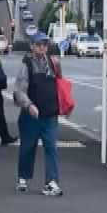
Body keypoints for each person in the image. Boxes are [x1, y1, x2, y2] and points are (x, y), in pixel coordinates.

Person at [12, 32, 64, 197]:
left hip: (50, 114)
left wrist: (63, 104)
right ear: (32, 46)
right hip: (30, 115)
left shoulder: (54, 63)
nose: (42, 47)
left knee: (51, 147)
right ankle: (23, 177)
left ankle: (52, 181)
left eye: (44, 44)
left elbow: (60, 85)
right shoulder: (26, 65)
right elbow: (19, 90)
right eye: (38, 44)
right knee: (28, 147)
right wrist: (28, 105)